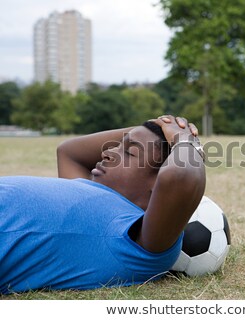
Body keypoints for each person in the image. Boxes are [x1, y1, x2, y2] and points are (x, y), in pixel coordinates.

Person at [0, 115, 206, 294]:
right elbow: (69, 152)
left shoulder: (139, 240)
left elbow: (181, 177)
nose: (107, 153)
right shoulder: (86, 186)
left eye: (129, 152)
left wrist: (185, 140)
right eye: (116, 146)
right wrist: (155, 126)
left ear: (157, 183)